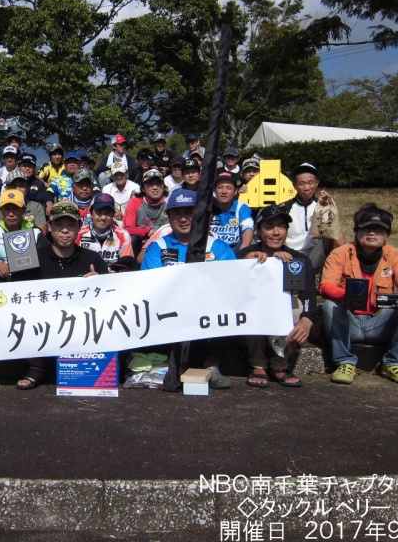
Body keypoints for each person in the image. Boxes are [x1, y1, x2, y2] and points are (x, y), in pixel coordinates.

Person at [140, 189, 235, 389]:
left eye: (189, 212)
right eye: (177, 213)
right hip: (171, 314)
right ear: (169, 217)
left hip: (208, 314)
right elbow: (153, 286)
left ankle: (212, 364)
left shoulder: (218, 246)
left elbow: (229, 284)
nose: (183, 218)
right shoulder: (158, 246)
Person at [321, 204, 398, 385]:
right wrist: (346, 296)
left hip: (379, 323)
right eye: (366, 228)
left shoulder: (395, 255)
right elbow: (326, 286)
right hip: (350, 321)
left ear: (386, 235)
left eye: (378, 230)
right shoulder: (340, 254)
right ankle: (344, 362)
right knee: (330, 305)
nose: (372, 233)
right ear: (356, 231)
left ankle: (393, 363)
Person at [16, 200, 109, 390]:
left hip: (79, 322)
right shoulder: (32, 258)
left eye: (70, 225)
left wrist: (99, 283)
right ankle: (37, 366)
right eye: (58, 224)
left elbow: (108, 299)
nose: (64, 230)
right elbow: (16, 295)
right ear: (49, 227)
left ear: (79, 227)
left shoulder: (93, 259)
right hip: (43, 321)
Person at [236, 205, 317, 388]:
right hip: (249, 321)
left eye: (281, 226)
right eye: (269, 227)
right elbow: (229, 288)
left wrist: (307, 320)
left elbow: (309, 295)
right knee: (252, 306)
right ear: (258, 231)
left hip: (280, 319)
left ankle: (280, 365)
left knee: (296, 309)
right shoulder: (243, 255)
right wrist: (244, 266)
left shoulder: (298, 260)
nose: (276, 232)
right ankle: (257, 364)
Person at [277, 162, 344, 275]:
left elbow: (333, 231)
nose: (307, 188)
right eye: (302, 184)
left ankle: (338, 274)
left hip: (315, 252)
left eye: (310, 183)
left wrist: (327, 207)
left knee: (338, 237)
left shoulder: (321, 205)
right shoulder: (286, 207)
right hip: (289, 253)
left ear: (316, 183)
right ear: (294, 185)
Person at [0, 189, 48, 282]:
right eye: (7, 208)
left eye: (16, 208)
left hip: (28, 284)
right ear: (1, 211)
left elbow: (46, 260)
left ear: (24, 210)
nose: (11, 214)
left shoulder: (35, 232)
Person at [77, 193, 135, 271]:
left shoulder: (123, 235)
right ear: (91, 213)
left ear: (113, 215)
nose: (103, 217)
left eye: (107, 213)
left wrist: (107, 269)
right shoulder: (79, 234)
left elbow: (127, 261)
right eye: (99, 212)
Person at [0, 169, 48, 234]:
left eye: (21, 186)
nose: (18, 189)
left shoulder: (36, 207)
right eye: (13, 186)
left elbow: (42, 233)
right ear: (6, 188)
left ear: (27, 188)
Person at [123, 168, 169, 254]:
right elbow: (127, 229)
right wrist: (147, 230)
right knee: (132, 238)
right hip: (141, 244)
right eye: (150, 184)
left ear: (163, 187)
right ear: (143, 188)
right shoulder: (135, 202)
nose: (155, 187)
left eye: (158, 184)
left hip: (166, 243)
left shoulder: (170, 203)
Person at [209, 171, 254, 252]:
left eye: (229, 188)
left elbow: (248, 227)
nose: (224, 191)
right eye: (220, 187)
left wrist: (242, 252)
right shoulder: (207, 208)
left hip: (236, 249)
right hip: (213, 251)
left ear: (235, 191)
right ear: (214, 191)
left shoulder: (241, 207)